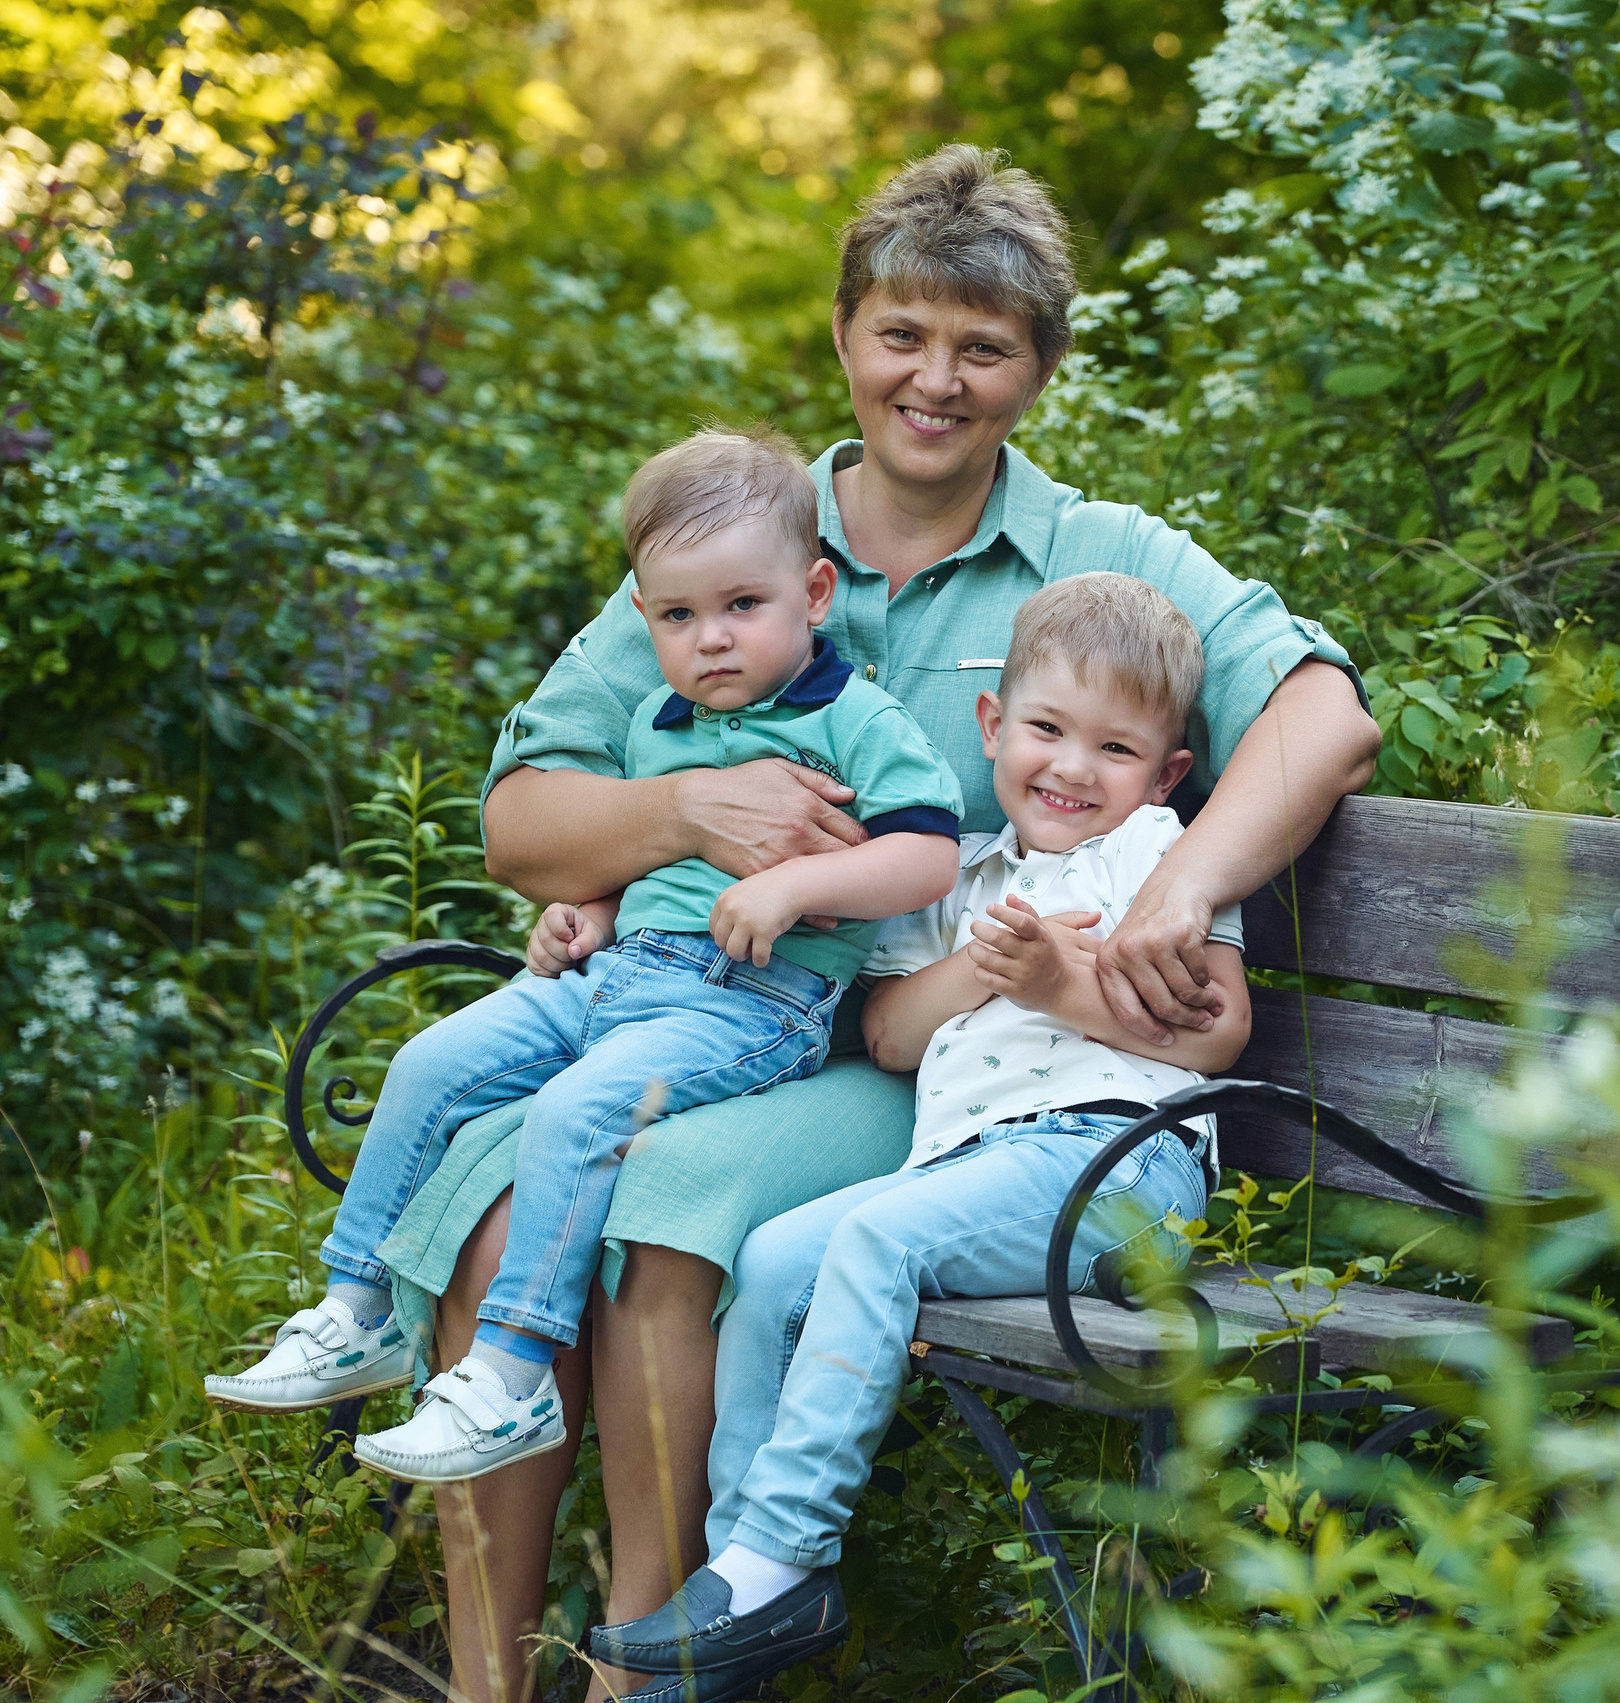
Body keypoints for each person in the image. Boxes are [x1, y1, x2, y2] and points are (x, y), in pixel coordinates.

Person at [379, 145, 1379, 1703]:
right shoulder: (749, 544)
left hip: (904, 1043)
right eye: (901, 335)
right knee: (496, 1214)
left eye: (984, 346)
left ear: (1039, 367)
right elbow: (521, 819)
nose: (935, 379)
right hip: (698, 1000)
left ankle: (648, 1658)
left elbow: (1323, 714)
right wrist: (679, 823)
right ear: (844, 334)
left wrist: (1182, 885)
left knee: (667, 1190)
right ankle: (487, 1677)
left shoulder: (1099, 558)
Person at [207, 427, 962, 1481]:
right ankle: (357, 1304)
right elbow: (642, 856)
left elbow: (927, 854)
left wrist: (796, 883)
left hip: (753, 1001)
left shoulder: (854, 717)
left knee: (577, 1112)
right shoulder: (660, 719)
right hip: (620, 976)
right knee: (429, 1062)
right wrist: (592, 909)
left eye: (743, 605)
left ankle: (511, 1369)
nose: (711, 640)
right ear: (644, 616)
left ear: (816, 591)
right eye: (678, 615)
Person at [589, 573, 1246, 1700]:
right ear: (993, 726)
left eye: (1114, 747)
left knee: (878, 1238)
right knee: (771, 1259)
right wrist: (984, 968)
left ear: (1165, 771)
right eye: (1045, 729)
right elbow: (890, 1031)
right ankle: (738, 1581)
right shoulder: (965, 874)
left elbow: (1218, 1029)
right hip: (979, 1172)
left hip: (1116, 1163)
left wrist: (1051, 984)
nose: (1072, 768)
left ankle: (781, 1557)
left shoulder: (1154, 853)